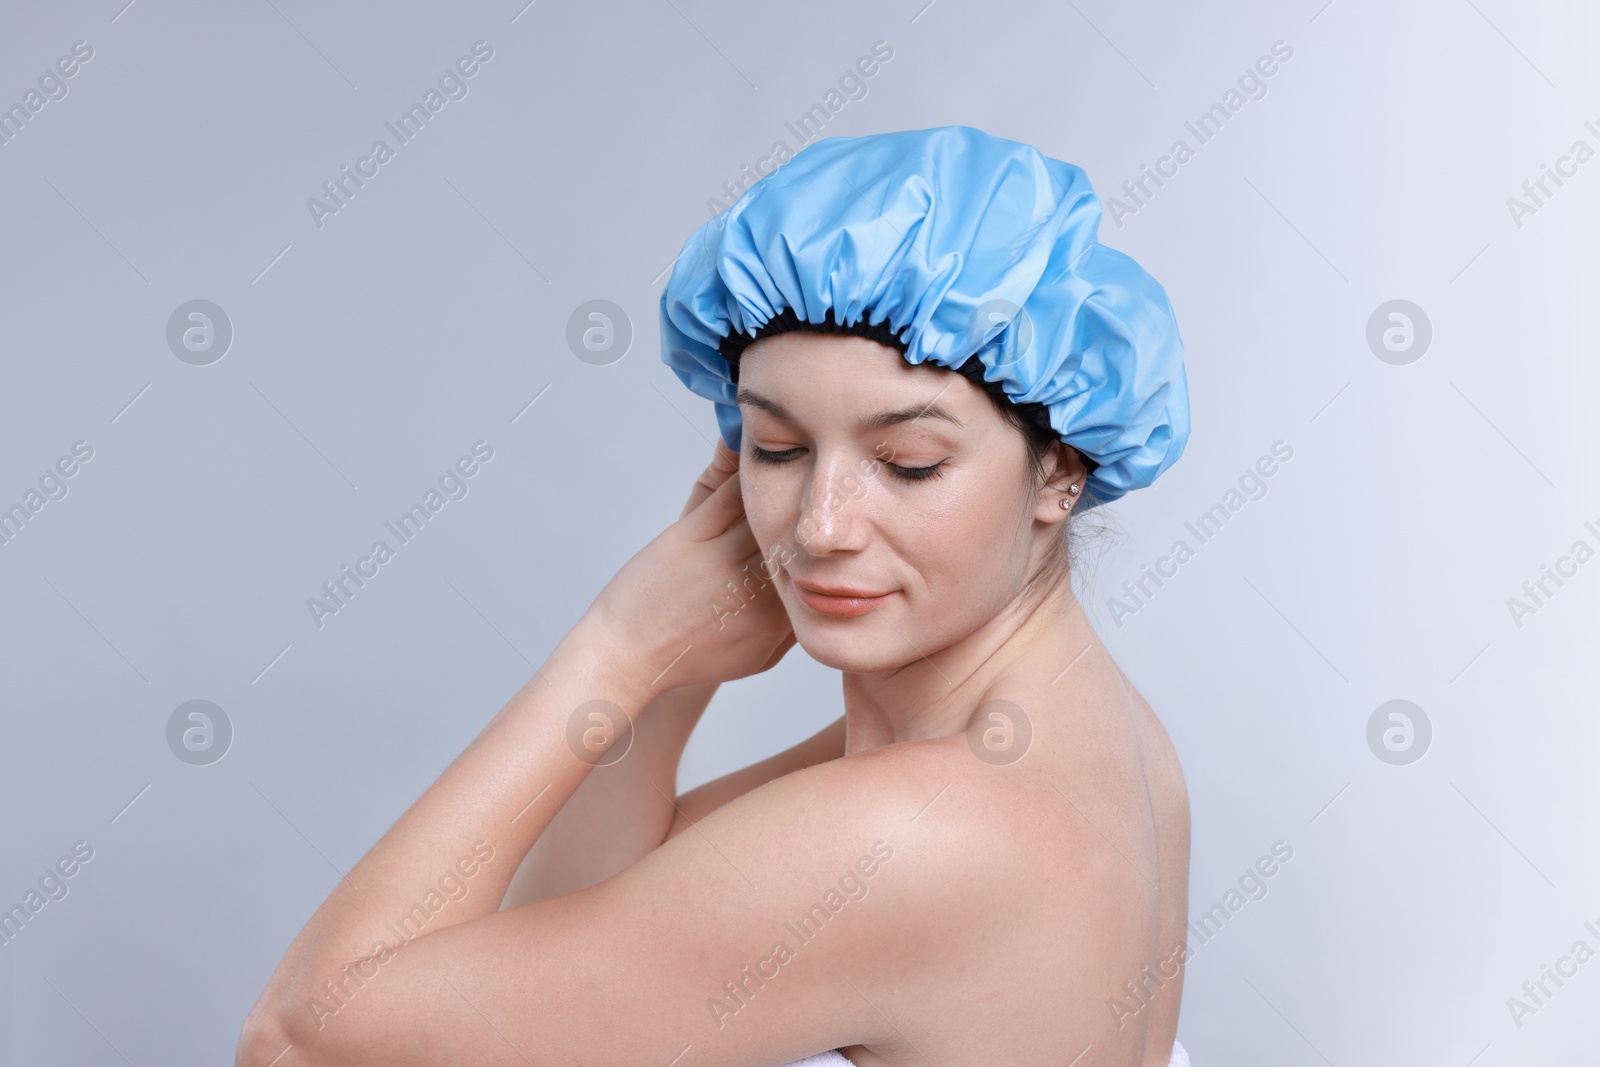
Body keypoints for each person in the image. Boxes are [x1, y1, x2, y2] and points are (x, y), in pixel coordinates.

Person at [235, 125, 1193, 1067]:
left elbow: (297, 1044)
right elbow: (576, 929)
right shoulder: (1087, 738)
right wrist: (673, 676)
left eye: (907, 462)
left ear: (1062, 469)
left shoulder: (911, 835)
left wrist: (616, 647)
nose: (820, 523)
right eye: (776, 447)